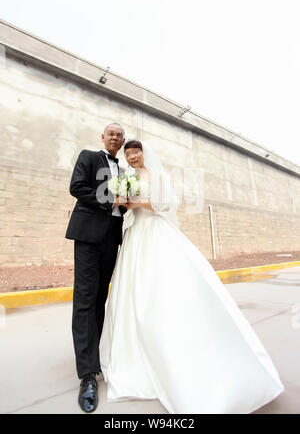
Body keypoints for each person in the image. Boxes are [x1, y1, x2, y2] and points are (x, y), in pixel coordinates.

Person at [99, 139, 284, 414]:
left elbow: (166, 203)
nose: (132, 156)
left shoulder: (156, 175)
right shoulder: (128, 177)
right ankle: (133, 351)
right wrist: (124, 202)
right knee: (132, 294)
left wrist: (136, 202)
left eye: (135, 152)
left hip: (155, 233)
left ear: (144, 153)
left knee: (164, 289)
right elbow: (125, 207)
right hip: (135, 236)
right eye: (128, 154)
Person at [65, 123, 127, 413]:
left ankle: (95, 356)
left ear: (123, 141)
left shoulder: (124, 171)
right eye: (110, 133)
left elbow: (122, 206)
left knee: (100, 301)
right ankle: (87, 375)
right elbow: (77, 188)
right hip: (89, 236)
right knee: (85, 302)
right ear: (103, 137)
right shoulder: (89, 157)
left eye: (119, 135)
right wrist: (110, 200)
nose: (115, 137)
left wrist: (127, 202)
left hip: (111, 238)